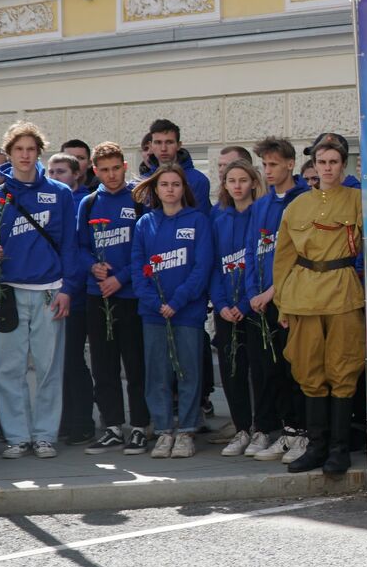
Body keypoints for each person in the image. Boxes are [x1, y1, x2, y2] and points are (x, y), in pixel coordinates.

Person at [0, 122, 76, 460]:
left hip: (51, 290)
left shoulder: (61, 194)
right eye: (18, 149)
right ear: (9, 153)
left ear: (39, 153)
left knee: (49, 367)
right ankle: (17, 437)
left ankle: (45, 435)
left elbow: (69, 245)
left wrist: (67, 288)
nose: (24, 155)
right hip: (8, 291)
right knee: (9, 368)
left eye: (30, 149)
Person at [272, 136, 364, 475]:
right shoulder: (296, 206)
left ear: (343, 166)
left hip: (342, 292)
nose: (327, 168)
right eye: (322, 162)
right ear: (313, 166)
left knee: (343, 368)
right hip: (304, 295)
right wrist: (282, 303)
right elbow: (283, 258)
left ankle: (338, 451)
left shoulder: (357, 200)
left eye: (333, 162)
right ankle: (316, 447)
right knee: (309, 371)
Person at [130, 164, 213, 459]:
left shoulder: (198, 221)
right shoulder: (144, 224)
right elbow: (137, 269)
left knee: (189, 372)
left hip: (187, 312)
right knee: (158, 374)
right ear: (156, 189)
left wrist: (177, 301)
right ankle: (164, 431)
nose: (170, 189)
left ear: (183, 188)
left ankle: (187, 431)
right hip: (153, 313)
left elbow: (202, 267)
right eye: (164, 184)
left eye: (175, 184)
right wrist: (155, 302)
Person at [79, 143, 151, 456]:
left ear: (125, 165)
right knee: (103, 366)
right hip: (98, 297)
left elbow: (147, 248)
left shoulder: (139, 199)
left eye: (116, 168)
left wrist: (120, 278)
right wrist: (92, 266)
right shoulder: (89, 202)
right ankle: (111, 426)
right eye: (104, 170)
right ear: (95, 171)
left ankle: (139, 427)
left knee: (135, 366)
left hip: (131, 295)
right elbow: (79, 246)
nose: (111, 175)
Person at [244, 136, 310, 462]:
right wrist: (251, 294)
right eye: (264, 165)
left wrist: (273, 292)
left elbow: (301, 255)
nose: (267, 171)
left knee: (291, 368)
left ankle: (299, 432)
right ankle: (273, 429)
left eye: (273, 164)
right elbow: (251, 252)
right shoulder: (260, 206)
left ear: (289, 164)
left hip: (290, 301)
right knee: (265, 370)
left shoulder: (305, 201)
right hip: (260, 304)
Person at [45, 152, 98, 446]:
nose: (54, 176)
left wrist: (70, 286)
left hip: (76, 297)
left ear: (76, 174)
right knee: (57, 363)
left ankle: (83, 421)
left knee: (74, 361)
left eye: (61, 171)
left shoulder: (83, 204)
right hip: (51, 294)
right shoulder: (50, 202)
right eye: (51, 171)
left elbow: (78, 251)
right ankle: (63, 421)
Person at [210, 159, 261, 455]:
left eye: (243, 180)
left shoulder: (261, 214)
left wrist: (244, 303)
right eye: (232, 181)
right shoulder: (219, 221)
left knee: (258, 369)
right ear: (226, 185)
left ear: (253, 182)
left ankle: (261, 428)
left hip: (253, 308)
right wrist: (221, 304)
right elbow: (213, 266)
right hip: (226, 310)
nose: (238, 186)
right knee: (232, 371)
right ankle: (241, 428)